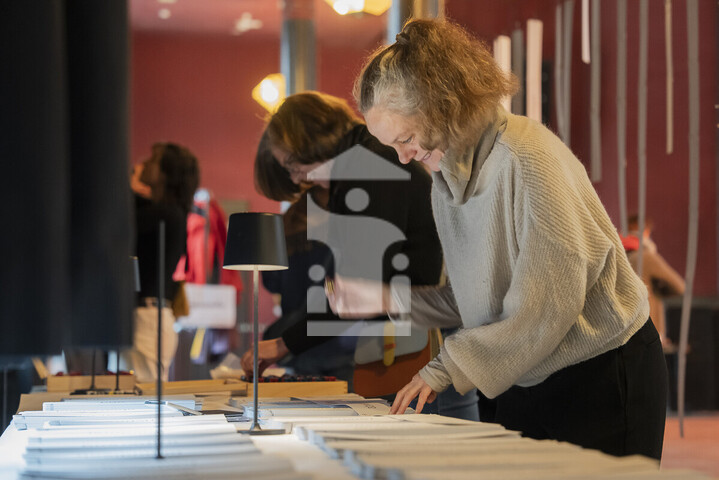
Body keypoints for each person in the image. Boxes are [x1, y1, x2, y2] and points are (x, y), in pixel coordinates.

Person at [328, 18, 668, 460]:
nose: (404, 157)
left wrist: (444, 367)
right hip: (526, 371)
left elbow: (545, 309)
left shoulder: (527, 159)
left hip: (602, 371)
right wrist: (388, 299)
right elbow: (479, 302)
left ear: (444, 105)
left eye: (406, 138)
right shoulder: (447, 178)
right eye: (393, 146)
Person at [129, 142, 199, 383]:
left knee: (141, 396)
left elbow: (123, 221)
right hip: (147, 317)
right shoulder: (169, 213)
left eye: (153, 160)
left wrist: (127, 183)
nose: (143, 163)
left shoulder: (166, 214)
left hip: (148, 318)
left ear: (165, 174)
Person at [625, 215, 685, 352]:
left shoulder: (618, 254)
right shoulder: (646, 256)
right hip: (648, 329)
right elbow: (679, 287)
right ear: (646, 232)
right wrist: (657, 290)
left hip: (621, 331)